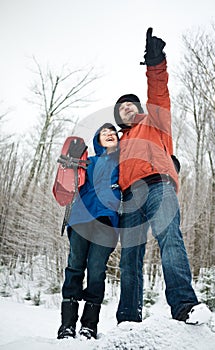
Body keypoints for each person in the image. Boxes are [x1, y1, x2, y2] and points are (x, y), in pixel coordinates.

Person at [113, 28, 211, 325]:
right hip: (130, 198)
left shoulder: (154, 122)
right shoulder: (118, 144)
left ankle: (184, 306)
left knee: (170, 237)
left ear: (139, 109)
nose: (126, 108)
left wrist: (156, 62)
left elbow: (159, 92)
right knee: (130, 257)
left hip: (158, 186)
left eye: (130, 104)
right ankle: (128, 318)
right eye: (121, 108)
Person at [57, 123, 120, 340]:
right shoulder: (87, 162)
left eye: (113, 133)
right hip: (80, 218)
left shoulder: (123, 164)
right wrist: (69, 163)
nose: (110, 134)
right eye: (104, 132)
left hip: (107, 222)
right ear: (97, 139)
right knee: (74, 267)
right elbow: (67, 182)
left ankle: (89, 326)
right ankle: (66, 326)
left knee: (97, 271)